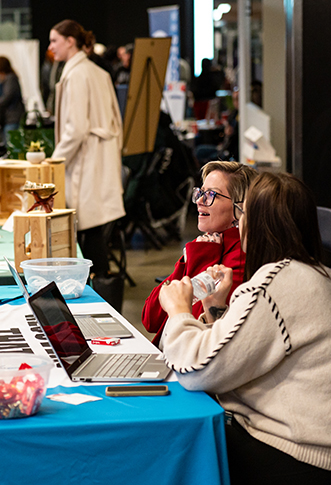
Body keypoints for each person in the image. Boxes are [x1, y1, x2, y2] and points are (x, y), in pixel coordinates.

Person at [158, 172, 331, 485]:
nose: (238, 221)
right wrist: (216, 308)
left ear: (257, 223)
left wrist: (178, 312)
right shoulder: (318, 276)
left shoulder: (275, 285)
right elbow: (237, 353)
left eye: (242, 213)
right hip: (326, 462)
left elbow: (198, 371)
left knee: (166, 450)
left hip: (297, 466)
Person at [142, 161, 256, 346]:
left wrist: (200, 259)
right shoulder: (205, 245)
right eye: (201, 192)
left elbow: (194, 333)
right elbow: (150, 319)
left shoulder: (240, 258)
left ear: (239, 208)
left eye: (211, 194)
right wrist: (187, 262)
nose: (200, 201)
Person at [48, 19, 125, 279]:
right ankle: (100, 285)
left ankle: (97, 290)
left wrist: (54, 162)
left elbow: (76, 128)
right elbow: (116, 120)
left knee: (86, 228)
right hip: (97, 157)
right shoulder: (95, 71)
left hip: (86, 160)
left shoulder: (78, 73)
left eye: (55, 40)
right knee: (91, 228)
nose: (51, 47)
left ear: (71, 41)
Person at [0, 56, 25, 148]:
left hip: (12, 116)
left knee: (12, 144)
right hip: (7, 117)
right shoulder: (2, 79)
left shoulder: (10, 79)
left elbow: (8, 96)